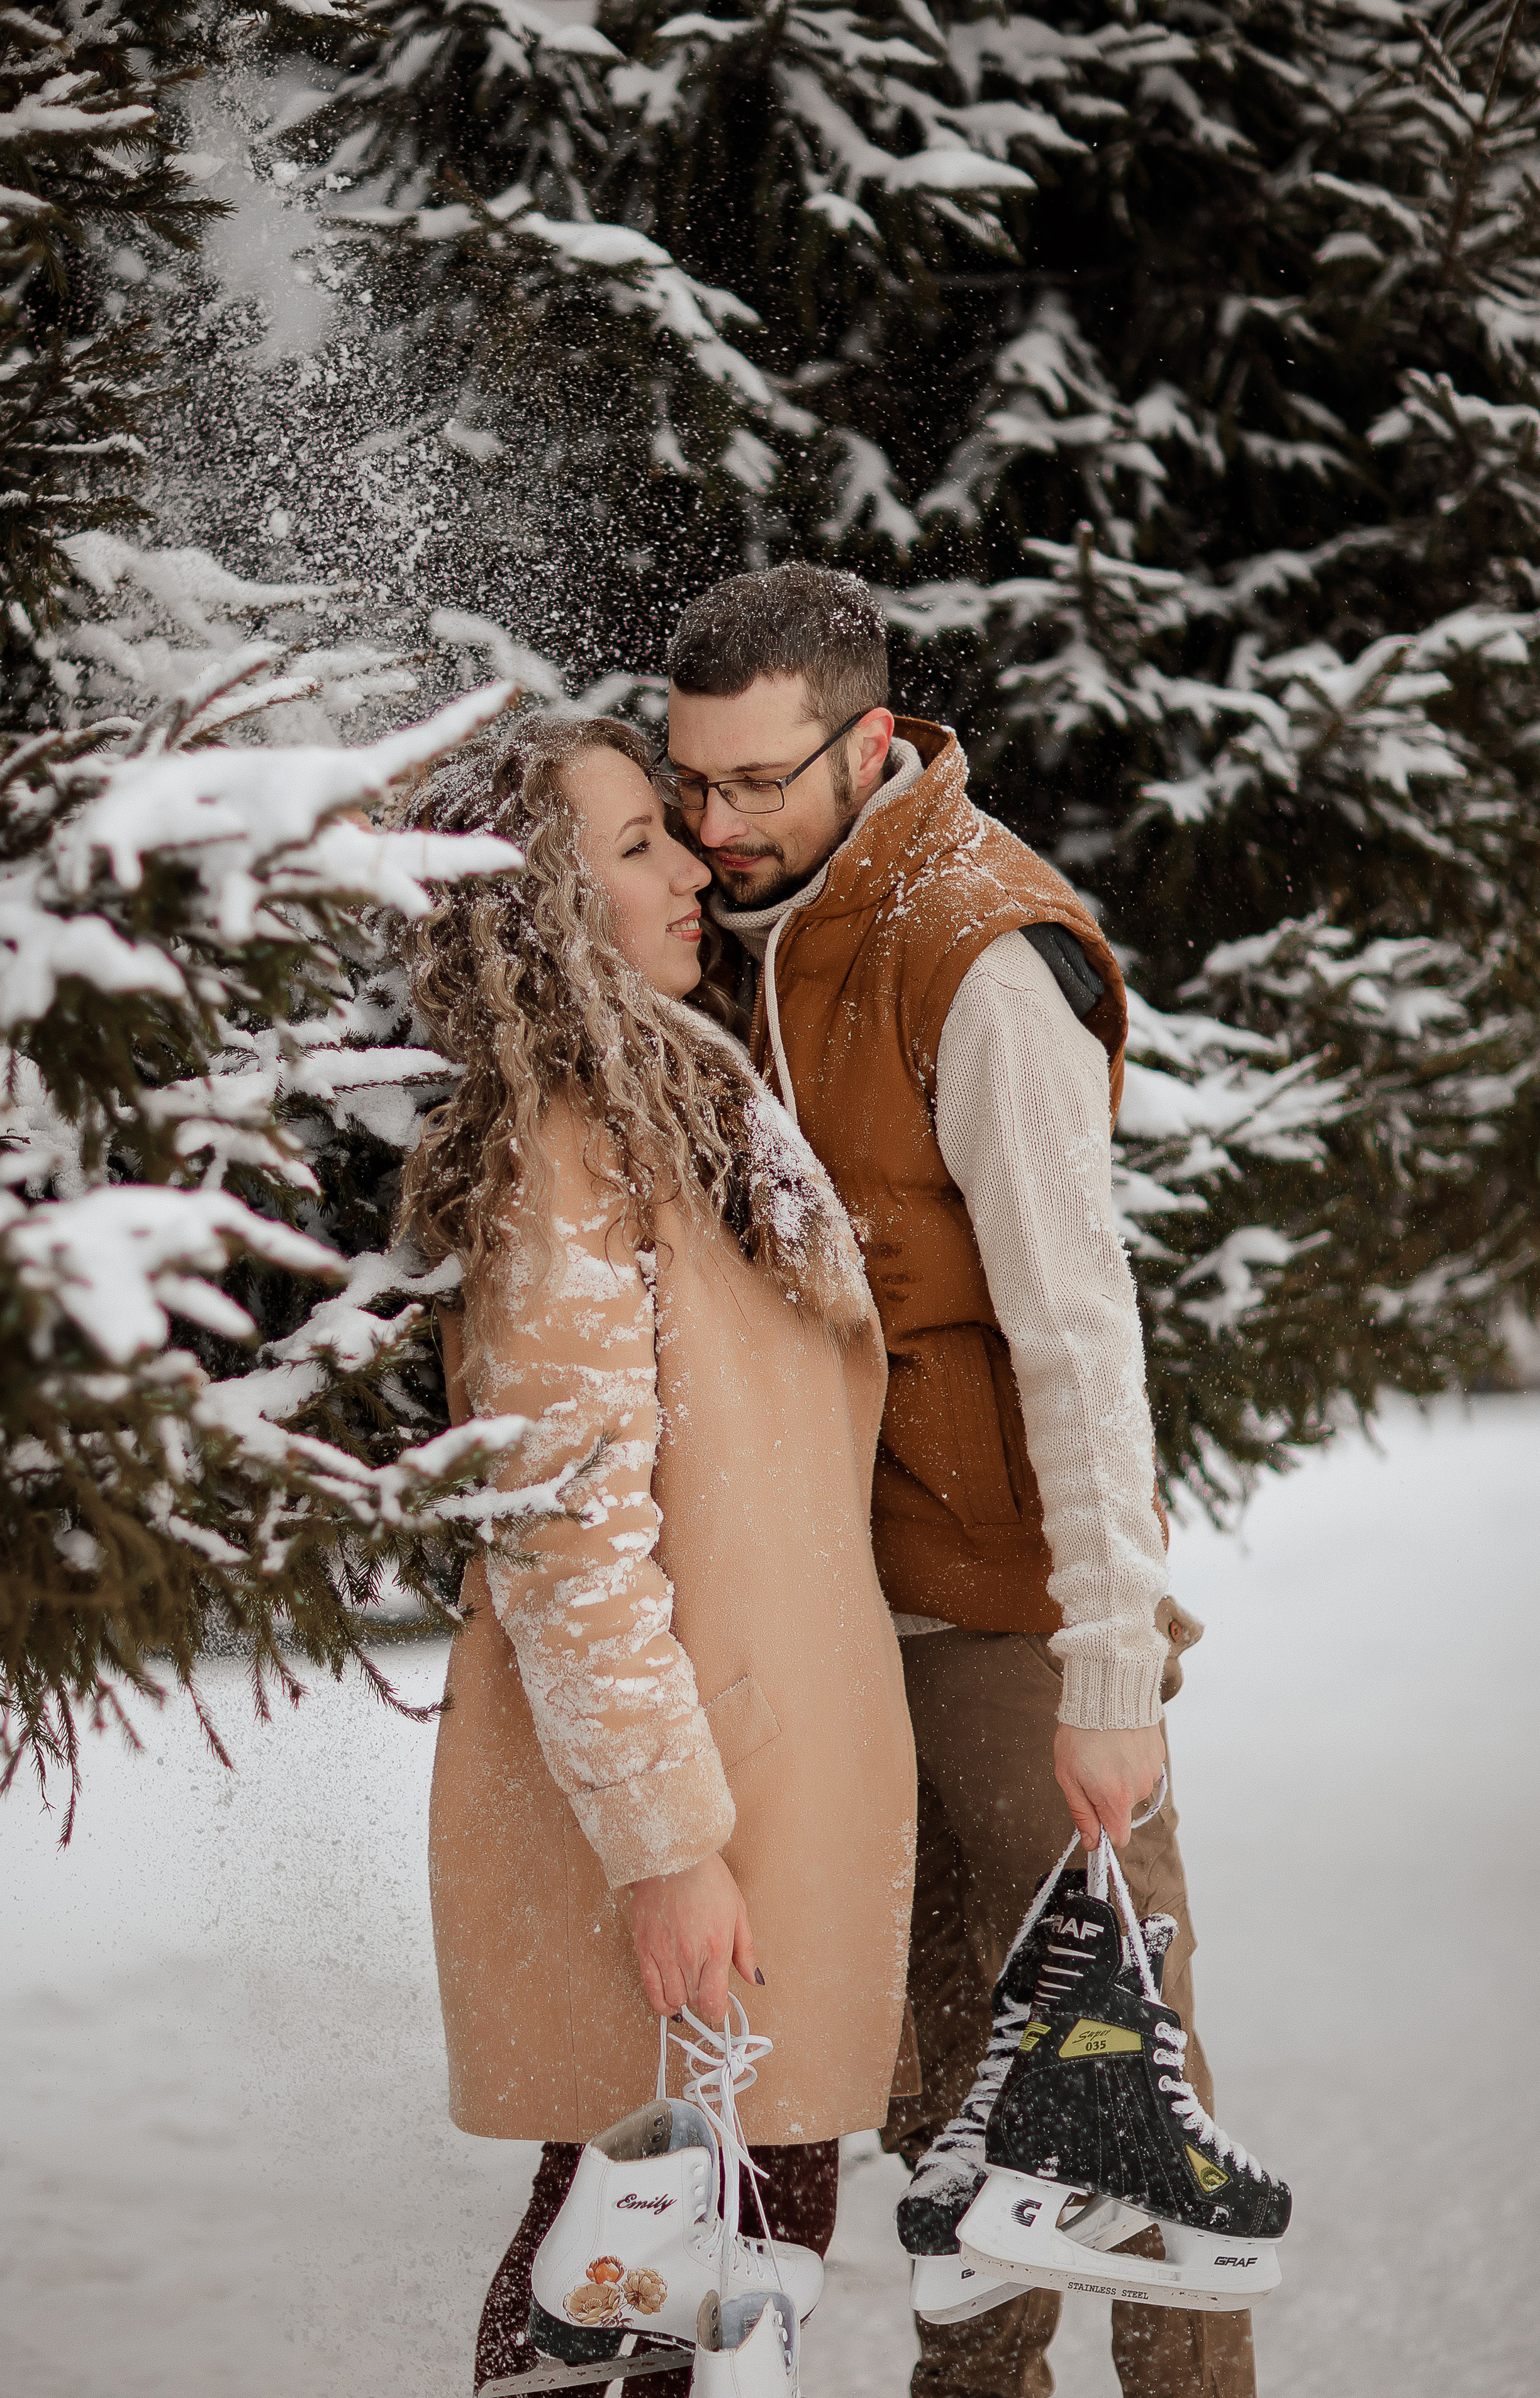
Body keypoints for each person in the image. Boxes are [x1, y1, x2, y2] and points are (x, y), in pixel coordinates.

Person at [662, 566, 1256, 2398]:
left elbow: (1080, 1332)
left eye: (761, 782)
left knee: (1113, 2100)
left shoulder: (981, 950)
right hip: (846, 1622)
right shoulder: (766, 919)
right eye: (693, 782)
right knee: (945, 2105)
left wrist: (1106, 1668)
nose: (716, 825)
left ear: (871, 738)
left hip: (998, 1620)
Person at [396, 713, 917, 2398]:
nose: (695, 864)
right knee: (643, 2253)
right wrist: (666, 1847)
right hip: (700, 1816)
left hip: (763, 1783)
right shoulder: (565, 1142)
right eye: (637, 846)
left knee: (689, 2251)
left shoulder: (670, 1089)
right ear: (542, 907)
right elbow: (568, 1536)